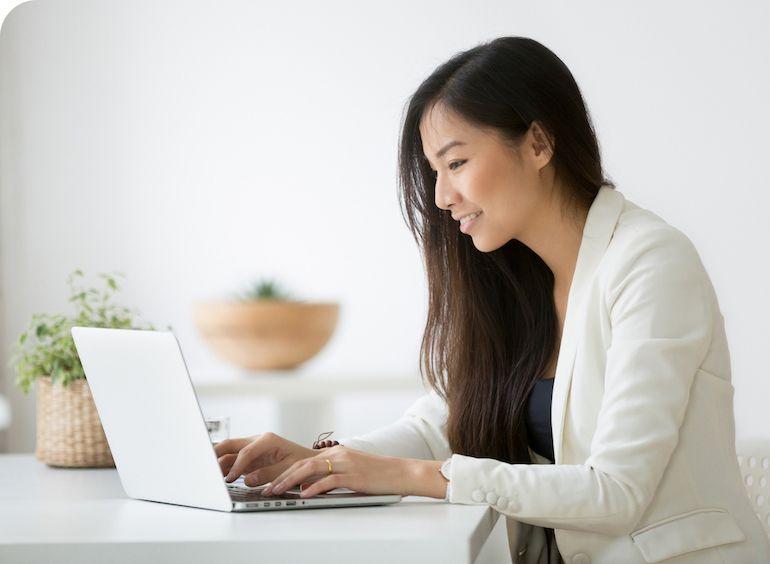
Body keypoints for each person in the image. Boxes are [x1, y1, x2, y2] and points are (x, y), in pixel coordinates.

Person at [214, 36, 770, 563]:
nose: (440, 196)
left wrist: (413, 477)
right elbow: (438, 424)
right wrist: (321, 462)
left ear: (538, 143)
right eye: (434, 171)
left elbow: (616, 490)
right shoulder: (513, 280)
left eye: (456, 163)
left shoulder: (651, 263)